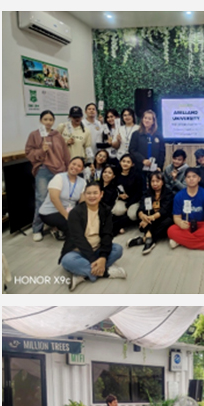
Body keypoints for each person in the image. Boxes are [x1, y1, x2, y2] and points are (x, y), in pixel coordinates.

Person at [59, 182, 126, 291]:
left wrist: (103, 257)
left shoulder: (106, 210)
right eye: (88, 193)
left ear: (101, 194)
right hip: (78, 250)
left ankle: (82, 274)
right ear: (84, 195)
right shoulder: (75, 213)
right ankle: (105, 272)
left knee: (118, 249)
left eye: (95, 193)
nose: (92, 196)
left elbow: (107, 234)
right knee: (67, 260)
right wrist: (94, 259)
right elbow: (78, 239)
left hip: (98, 248)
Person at [25, 110, 70, 241]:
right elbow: (29, 152)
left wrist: (67, 169)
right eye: (45, 119)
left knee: (60, 199)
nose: (48, 122)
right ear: (41, 121)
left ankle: (57, 226)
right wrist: (41, 150)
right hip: (44, 170)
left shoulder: (57, 136)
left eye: (51, 119)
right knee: (41, 198)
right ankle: (37, 229)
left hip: (59, 170)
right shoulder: (34, 135)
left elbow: (65, 154)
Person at [168, 167, 204, 250]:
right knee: (171, 230)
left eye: (194, 176)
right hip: (186, 225)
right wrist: (180, 223)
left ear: (199, 179)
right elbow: (176, 217)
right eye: (188, 177)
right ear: (185, 179)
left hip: (202, 224)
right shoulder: (179, 196)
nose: (191, 179)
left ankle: (180, 241)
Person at [37, 156, 86, 240]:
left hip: (69, 211)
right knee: (74, 230)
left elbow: (82, 202)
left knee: (83, 224)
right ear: (69, 164)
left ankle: (59, 229)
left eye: (79, 166)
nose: (75, 167)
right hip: (50, 212)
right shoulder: (59, 178)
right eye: (73, 164)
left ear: (81, 169)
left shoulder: (82, 182)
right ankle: (58, 230)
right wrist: (67, 216)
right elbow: (54, 199)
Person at [125, 171, 174, 254]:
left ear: (162, 182)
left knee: (169, 221)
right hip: (149, 219)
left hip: (161, 218)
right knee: (144, 220)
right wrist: (142, 216)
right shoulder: (147, 193)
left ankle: (146, 238)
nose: (155, 184)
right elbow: (141, 207)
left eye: (157, 181)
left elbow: (165, 210)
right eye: (152, 181)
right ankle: (149, 239)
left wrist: (151, 218)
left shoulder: (168, 193)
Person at [129, 110, 165, 185]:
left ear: (153, 121)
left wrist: (160, 166)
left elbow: (162, 152)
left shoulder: (158, 135)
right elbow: (132, 150)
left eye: (149, 119)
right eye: (145, 118)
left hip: (154, 168)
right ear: (142, 119)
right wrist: (142, 160)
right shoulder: (136, 134)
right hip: (139, 167)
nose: (147, 120)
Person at [113, 154, 144, 234]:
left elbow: (139, 192)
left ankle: (124, 223)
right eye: (123, 161)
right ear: (120, 162)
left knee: (133, 215)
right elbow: (113, 188)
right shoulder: (116, 174)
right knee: (117, 211)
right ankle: (119, 224)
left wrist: (128, 204)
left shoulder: (137, 176)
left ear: (132, 164)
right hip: (121, 199)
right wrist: (119, 195)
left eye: (128, 162)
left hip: (134, 200)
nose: (125, 163)